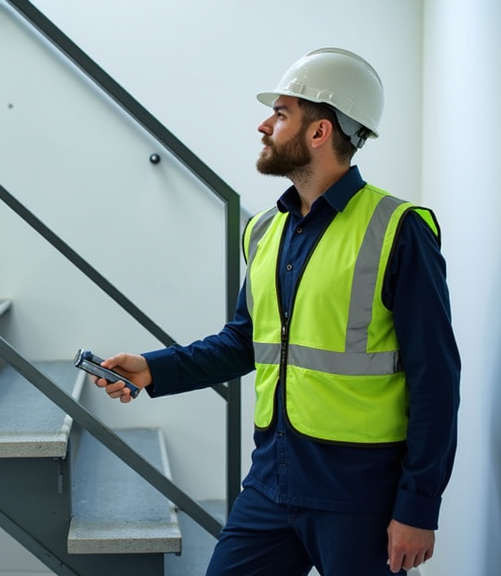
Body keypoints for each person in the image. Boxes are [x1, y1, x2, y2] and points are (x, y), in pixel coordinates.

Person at [93, 47, 460, 575]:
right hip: (272, 481)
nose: (264, 124)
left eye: (281, 113)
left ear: (319, 132)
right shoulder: (265, 230)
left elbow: (436, 379)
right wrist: (154, 368)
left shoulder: (399, 230)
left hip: (360, 495)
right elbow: (244, 340)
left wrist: (419, 506)